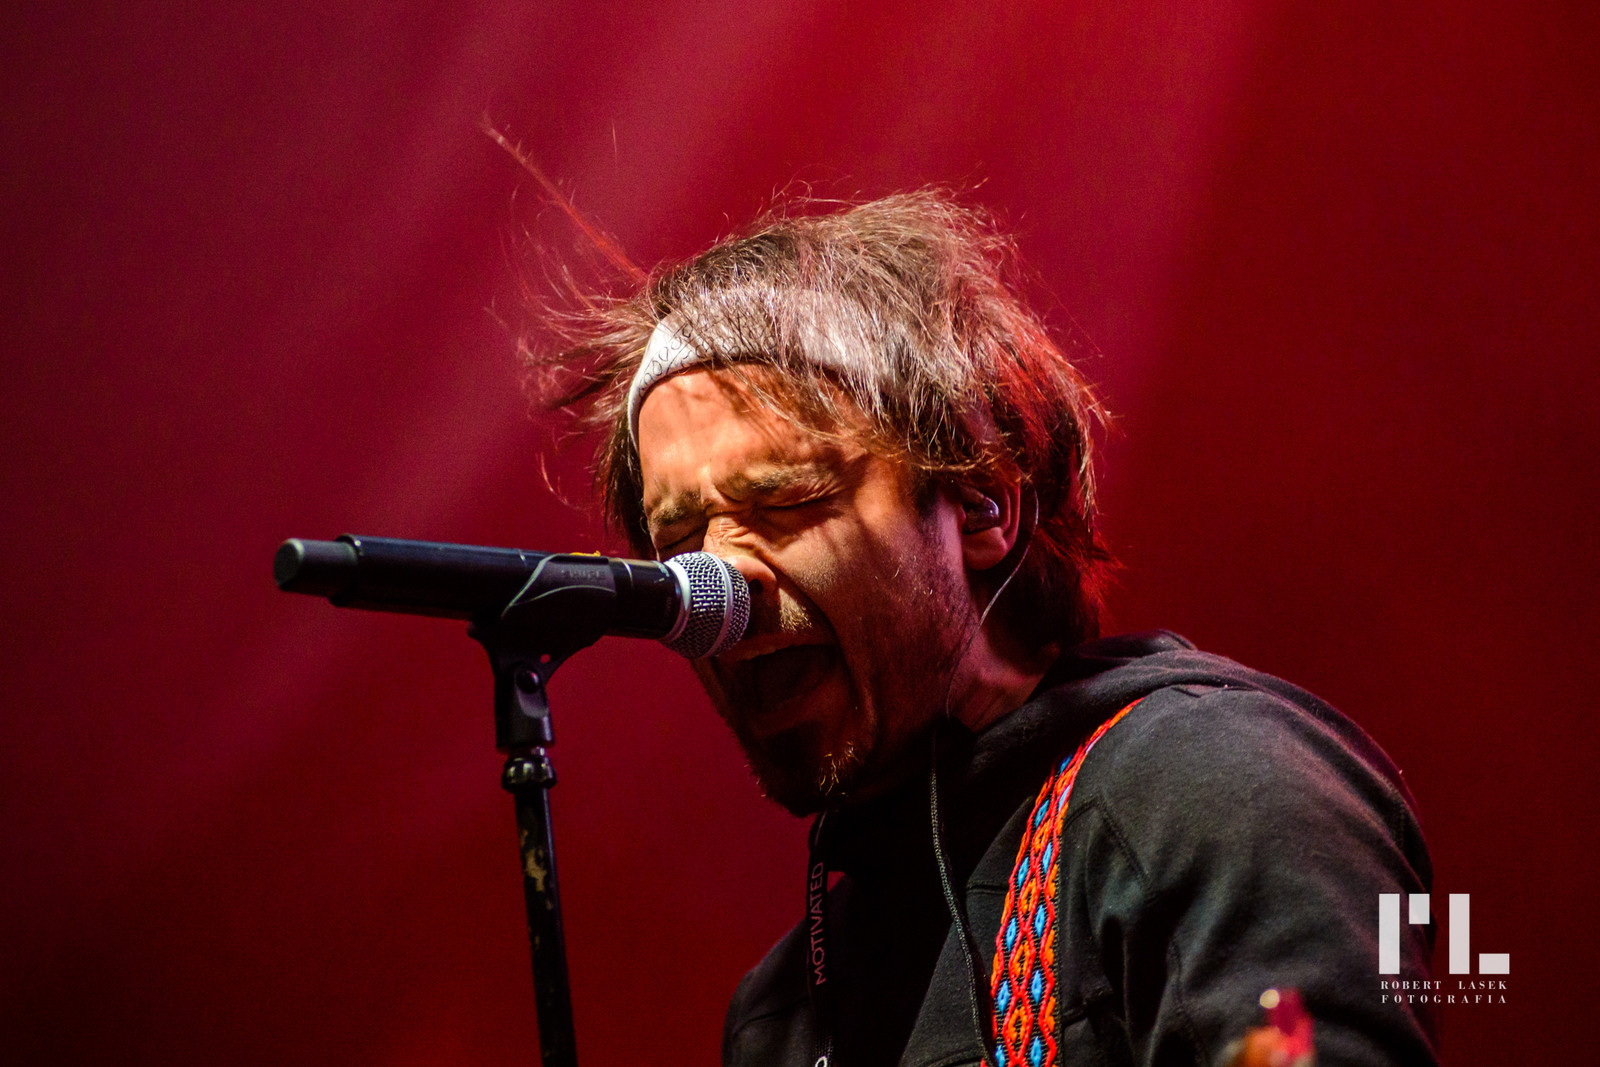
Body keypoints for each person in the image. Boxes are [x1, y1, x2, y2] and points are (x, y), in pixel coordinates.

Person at [530, 191, 1437, 1066]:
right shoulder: (785, 1013)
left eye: (787, 501)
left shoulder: (1205, 792)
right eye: (680, 538)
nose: (715, 581)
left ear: (980, 503)